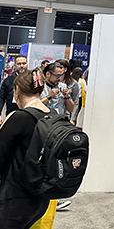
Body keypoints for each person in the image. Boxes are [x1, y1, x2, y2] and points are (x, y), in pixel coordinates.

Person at [0, 69, 50, 228]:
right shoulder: (52, 115)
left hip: (14, 198)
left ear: (16, 91)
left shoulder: (19, 117)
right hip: (40, 198)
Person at [40, 62, 74, 212]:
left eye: (62, 75)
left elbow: (71, 108)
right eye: (57, 75)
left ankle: (54, 198)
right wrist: (49, 96)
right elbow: (34, 105)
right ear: (48, 74)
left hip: (59, 130)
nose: (60, 78)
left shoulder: (62, 87)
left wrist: (67, 97)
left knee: (57, 163)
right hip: (42, 129)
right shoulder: (39, 87)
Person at [0, 55, 28, 125]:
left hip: (28, 115)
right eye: (19, 64)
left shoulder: (32, 80)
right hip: (11, 114)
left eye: (24, 63)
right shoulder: (8, 80)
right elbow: (1, 98)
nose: (22, 66)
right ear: (14, 65)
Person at [57, 59, 81, 126]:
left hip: (66, 114)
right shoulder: (53, 81)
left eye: (60, 67)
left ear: (65, 69)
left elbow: (76, 102)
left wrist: (73, 119)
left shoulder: (73, 83)